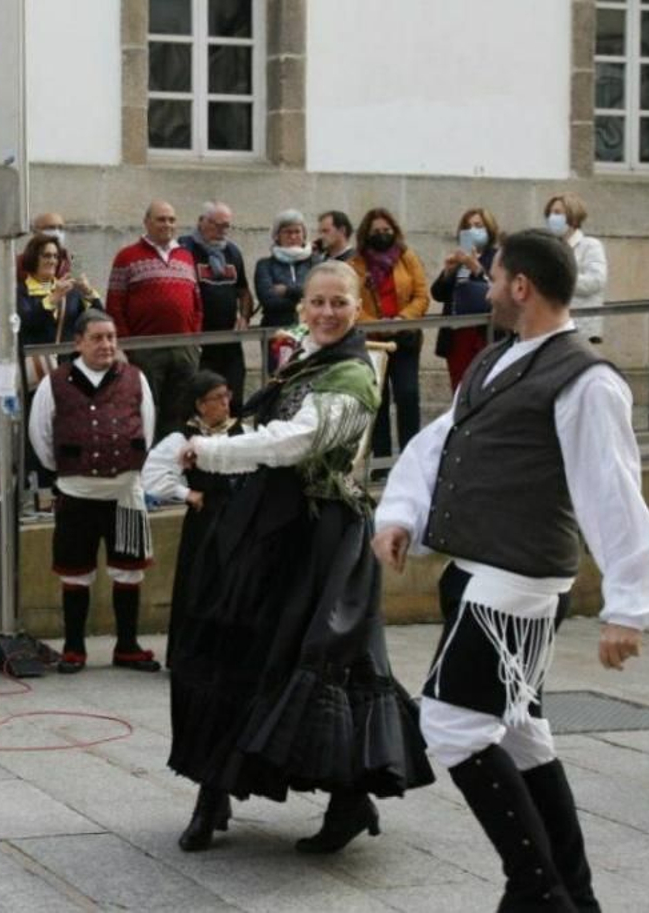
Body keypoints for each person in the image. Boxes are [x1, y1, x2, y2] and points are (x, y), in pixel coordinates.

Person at [373, 230, 649, 912]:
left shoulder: (586, 379)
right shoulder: (499, 358)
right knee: (518, 732)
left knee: (449, 722)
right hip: (478, 573)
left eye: (494, 274)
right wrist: (399, 514)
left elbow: (613, 489)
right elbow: (438, 442)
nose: (484, 285)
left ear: (521, 288)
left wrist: (631, 605)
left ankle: (536, 889)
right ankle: (574, 892)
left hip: (517, 583)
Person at [168, 261, 431, 855]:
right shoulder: (307, 358)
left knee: (320, 665)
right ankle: (212, 793)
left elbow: (297, 442)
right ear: (303, 306)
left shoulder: (353, 375)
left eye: (339, 302)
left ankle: (349, 802)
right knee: (226, 649)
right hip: (269, 527)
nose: (328, 312)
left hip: (321, 538)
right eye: (318, 302)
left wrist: (212, 450)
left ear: (357, 308)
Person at [28, 309, 162, 675]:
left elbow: (147, 428)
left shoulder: (135, 378)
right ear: (78, 343)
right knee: (75, 571)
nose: (106, 345)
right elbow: (40, 435)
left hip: (125, 493)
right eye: (98, 338)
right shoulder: (54, 382)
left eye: (111, 337)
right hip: (76, 491)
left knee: (129, 571)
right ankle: (74, 647)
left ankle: (128, 646)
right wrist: (67, 470)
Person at [142, 371, 244, 665]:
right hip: (206, 520)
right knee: (199, 583)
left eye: (228, 396)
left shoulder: (242, 433)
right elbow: (151, 476)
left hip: (237, 518)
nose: (225, 403)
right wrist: (186, 494)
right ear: (200, 405)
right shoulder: (182, 437)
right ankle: (194, 655)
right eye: (218, 398)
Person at [106, 201, 202, 440]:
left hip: (184, 348)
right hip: (144, 349)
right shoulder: (127, 257)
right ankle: (145, 464)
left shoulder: (186, 256)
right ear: (146, 222)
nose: (167, 225)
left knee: (180, 409)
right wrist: (126, 346)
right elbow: (115, 304)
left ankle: (172, 461)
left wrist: (195, 339)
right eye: (161, 219)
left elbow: (197, 302)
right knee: (145, 409)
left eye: (171, 219)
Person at [18, 234, 98, 507]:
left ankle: (66, 486)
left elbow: (97, 319)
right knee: (37, 429)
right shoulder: (21, 290)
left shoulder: (70, 291)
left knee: (67, 428)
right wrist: (52, 298)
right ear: (34, 259)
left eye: (55, 256)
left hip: (65, 370)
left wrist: (89, 293)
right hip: (35, 372)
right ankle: (41, 491)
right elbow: (26, 320)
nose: (52, 261)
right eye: (46, 256)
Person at [350, 208, 430, 460]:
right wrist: (376, 325)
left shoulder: (407, 257)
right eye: (376, 231)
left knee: (408, 394)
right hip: (373, 341)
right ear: (366, 234)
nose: (382, 235)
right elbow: (351, 301)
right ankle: (381, 461)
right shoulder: (355, 264)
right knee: (378, 400)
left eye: (387, 230)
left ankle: (410, 457)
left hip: (405, 337)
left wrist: (402, 319)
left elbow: (421, 295)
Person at [179, 202, 253, 404]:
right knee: (200, 397)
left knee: (233, 395)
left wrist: (244, 317)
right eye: (216, 225)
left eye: (226, 226)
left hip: (229, 339)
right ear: (201, 221)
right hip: (198, 340)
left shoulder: (233, 252)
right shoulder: (184, 249)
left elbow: (244, 291)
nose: (222, 231)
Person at [431, 209, 500, 390]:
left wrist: (477, 269)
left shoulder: (496, 257)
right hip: (456, 334)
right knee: (459, 387)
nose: (472, 230)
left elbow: (498, 289)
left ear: (489, 229)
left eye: (478, 226)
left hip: (483, 333)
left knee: (481, 386)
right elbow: (437, 294)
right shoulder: (460, 257)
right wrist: (447, 272)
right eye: (468, 226)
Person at [252, 209, 315, 373]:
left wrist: (287, 290)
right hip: (276, 334)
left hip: (311, 334)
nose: (293, 237)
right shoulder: (265, 265)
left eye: (297, 232)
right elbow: (269, 300)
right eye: (287, 232)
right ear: (277, 236)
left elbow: (317, 293)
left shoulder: (315, 262)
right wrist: (303, 298)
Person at [545, 192, 608, 344]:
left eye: (558, 213)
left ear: (572, 217)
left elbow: (596, 281)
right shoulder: (551, 247)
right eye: (550, 213)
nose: (552, 217)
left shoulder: (590, 245)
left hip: (581, 329)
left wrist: (560, 278)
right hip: (553, 327)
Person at [17, 212, 72, 282]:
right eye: (51, 228)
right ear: (35, 232)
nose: (57, 232)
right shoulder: (19, 264)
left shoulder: (68, 261)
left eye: (60, 228)